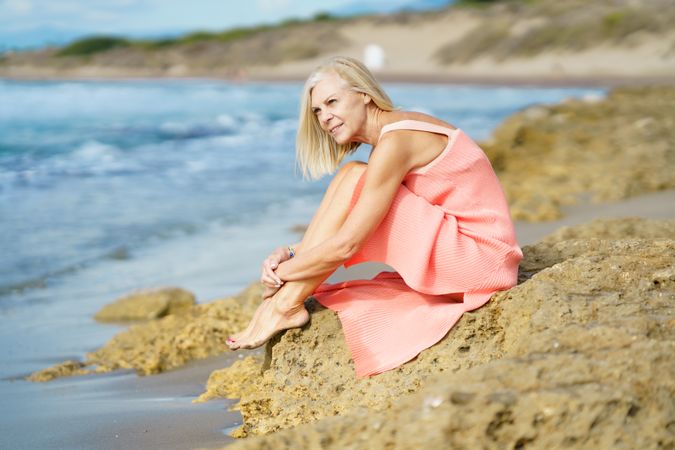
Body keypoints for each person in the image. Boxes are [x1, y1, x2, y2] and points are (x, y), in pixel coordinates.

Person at [226, 56, 522, 378]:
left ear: (363, 94)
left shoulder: (396, 142)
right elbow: (352, 226)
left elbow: (346, 245)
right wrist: (293, 253)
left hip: (482, 263)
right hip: (479, 258)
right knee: (353, 174)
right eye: (318, 111)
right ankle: (285, 302)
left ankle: (284, 306)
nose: (325, 117)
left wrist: (283, 276)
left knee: (354, 178)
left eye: (332, 102)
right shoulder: (391, 138)